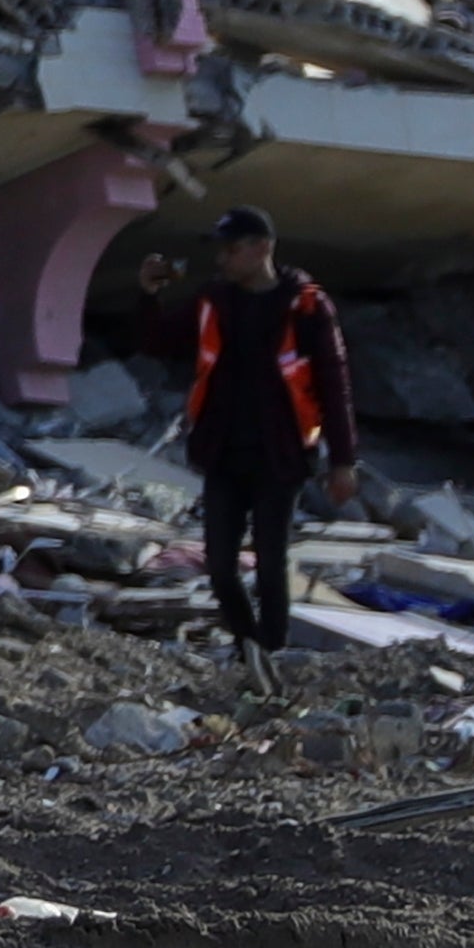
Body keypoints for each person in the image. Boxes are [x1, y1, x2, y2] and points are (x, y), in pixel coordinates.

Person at [182, 204, 361, 655]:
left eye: (231, 249)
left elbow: (334, 384)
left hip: (280, 455)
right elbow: (160, 341)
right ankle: (250, 649)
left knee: (270, 565)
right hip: (223, 451)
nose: (222, 259)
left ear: (262, 248)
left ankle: (272, 655)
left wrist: (343, 461)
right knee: (220, 566)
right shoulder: (214, 301)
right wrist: (148, 296)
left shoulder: (307, 307)